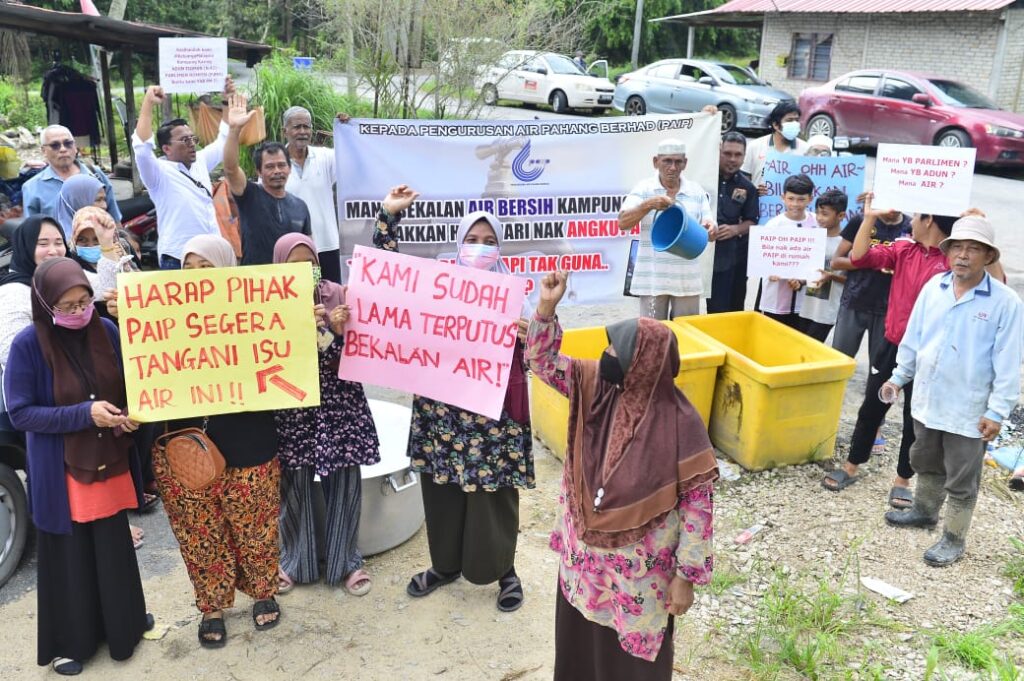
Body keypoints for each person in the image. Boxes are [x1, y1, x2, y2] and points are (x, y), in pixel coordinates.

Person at [527, 271, 717, 681]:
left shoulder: (680, 424)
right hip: (585, 567)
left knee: (631, 665)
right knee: (581, 646)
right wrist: (547, 306)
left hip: (639, 581)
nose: (606, 354)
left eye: (616, 348)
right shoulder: (595, 387)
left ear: (642, 361)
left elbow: (698, 513)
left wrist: (686, 578)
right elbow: (541, 362)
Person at [374, 189, 534, 611]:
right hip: (442, 414)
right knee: (442, 488)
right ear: (459, 242)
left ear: (499, 247)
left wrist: (529, 333)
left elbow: (543, 351)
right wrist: (389, 217)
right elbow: (388, 281)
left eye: (488, 241)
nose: (479, 248)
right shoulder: (438, 288)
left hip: (491, 418)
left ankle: (503, 570)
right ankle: (444, 565)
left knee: (493, 494)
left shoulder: (515, 294)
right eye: (472, 239)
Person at [3, 257, 151, 676]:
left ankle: (125, 627)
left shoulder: (105, 330)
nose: (78, 311)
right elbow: (21, 414)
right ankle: (73, 642)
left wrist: (130, 414)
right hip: (63, 470)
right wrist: (84, 415)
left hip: (111, 460)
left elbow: (130, 385)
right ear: (46, 305)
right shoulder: (28, 345)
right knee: (71, 557)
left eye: (84, 301)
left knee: (112, 547)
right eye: (66, 306)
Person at [153, 234, 282, 648]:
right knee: (199, 530)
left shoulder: (257, 314)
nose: (195, 279)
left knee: (256, 525)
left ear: (229, 270)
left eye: (206, 269)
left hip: (250, 441)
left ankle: (263, 591)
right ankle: (212, 604)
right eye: (187, 269)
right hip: (187, 443)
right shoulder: (163, 319)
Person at [882, 216, 1022, 566]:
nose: (963, 255)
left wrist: (997, 411)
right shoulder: (935, 288)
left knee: (961, 477)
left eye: (973, 249)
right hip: (929, 399)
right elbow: (915, 339)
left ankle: (954, 537)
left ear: (988, 256)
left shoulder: (1005, 302)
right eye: (957, 247)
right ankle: (925, 512)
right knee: (926, 460)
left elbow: (1008, 362)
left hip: (969, 408)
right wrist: (898, 377)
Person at [821, 194, 956, 505]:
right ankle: (851, 466)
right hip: (893, 345)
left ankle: (902, 480)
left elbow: (993, 276)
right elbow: (858, 256)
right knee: (872, 407)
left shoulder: (952, 259)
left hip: (931, 355)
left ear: (930, 221)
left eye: (918, 215)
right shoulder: (903, 249)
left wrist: (974, 228)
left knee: (913, 417)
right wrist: (869, 217)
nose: (912, 220)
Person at [273, 233, 380, 596]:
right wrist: (296, 325)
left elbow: (359, 350)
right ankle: (293, 561)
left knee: (345, 480)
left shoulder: (337, 295)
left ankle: (346, 561)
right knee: (295, 481)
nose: (306, 271)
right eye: (294, 265)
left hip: (339, 403)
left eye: (312, 264)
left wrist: (333, 332)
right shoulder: (267, 305)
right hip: (295, 408)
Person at [132, 79, 234, 270]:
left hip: (210, 256)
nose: (191, 143)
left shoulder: (200, 162)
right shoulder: (158, 173)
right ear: (166, 148)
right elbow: (142, 148)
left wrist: (227, 102)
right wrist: (147, 104)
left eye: (192, 138)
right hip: (177, 258)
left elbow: (223, 141)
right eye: (184, 140)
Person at [618, 139, 716, 320]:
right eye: (667, 161)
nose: (672, 167)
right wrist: (647, 205)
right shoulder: (644, 188)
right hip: (652, 279)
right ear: (656, 162)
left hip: (687, 278)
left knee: (687, 334)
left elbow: (709, 227)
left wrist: (710, 230)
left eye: (678, 162)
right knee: (654, 336)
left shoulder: (696, 191)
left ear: (685, 163)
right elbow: (623, 222)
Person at [222, 94, 311, 266]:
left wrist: (314, 287)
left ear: (289, 168)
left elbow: (309, 252)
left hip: (290, 286)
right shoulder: (249, 195)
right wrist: (234, 130)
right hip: (256, 285)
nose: (277, 171)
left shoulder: (300, 206)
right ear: (259, 171)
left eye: (281, 165)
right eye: (270, 167)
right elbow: (231, 168)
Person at [830, 202, 911, 361]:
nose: (893, 208)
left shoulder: (911, 227)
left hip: (888, 307)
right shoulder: (862, 221)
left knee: (879, 366)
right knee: (838, 360)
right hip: (854, 301)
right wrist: (870, 260)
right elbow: (836, 262)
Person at [282, 106, 343, 283]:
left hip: (327, 246)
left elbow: (351, 157)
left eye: (306, 127)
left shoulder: (325, 157)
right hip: (295, 253)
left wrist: (345, 130)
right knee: (304, 298)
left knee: (330, 297)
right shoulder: (276, 162)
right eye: (297, 127)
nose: (302, 132)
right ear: (285, 131)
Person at [0, 216, 68, 370]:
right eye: (43, 244)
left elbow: (103, 289)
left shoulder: (62, 281)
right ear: (26, 247)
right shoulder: (14, 292)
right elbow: (10, 354)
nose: (53, 251)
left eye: (59, 242)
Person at [22, 125, 122, 223]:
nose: (63, 149)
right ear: (44, 151)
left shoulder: (95, 174)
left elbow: (114, 219)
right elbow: (32, 232)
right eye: (55, 145)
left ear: (75, 147)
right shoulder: (32, 187)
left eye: (68, 143)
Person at [754, 174, 817, 329]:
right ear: (783, 197)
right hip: (776, 299)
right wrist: (771, 271)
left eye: (801, 199)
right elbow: (762, 261)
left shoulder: (817, 224)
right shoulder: (773, 226)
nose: (795, 204)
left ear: (810, 198)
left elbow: (819, 260)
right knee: (774, 339)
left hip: (805, 302)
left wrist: (803, 279)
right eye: (791, 198)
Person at [707, 131, 758, 313]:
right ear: (719, 151)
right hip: (697, 253)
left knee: (722, 311)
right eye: (727, 153)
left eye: (738, 155)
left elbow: (752, 221)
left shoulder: (748, 187)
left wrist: (736, 229)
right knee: (684, 310)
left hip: (727, 259)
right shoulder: (703, 178)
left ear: (744, 157)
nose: (732, 159)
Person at [797, 189, 848, 342]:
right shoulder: (810, 237)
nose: (819, 218)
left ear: (841, 216)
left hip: (827, 310)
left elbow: (851, 280)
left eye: (825, 214)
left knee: (812, 348)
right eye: (818, 213)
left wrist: (831, 276)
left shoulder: (845, 244)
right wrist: (798, 281)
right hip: (804, 307)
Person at [742, 101, 809, 188]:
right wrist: (754, 192)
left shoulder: (806, 150)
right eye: (789, 120)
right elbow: (745, 180)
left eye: (796, 120)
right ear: (776, 125)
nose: (794, 124)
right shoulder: (754, 147)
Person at [54, 173, 109, 241]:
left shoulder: (108, 231)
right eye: (98, 200)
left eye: (104, 199)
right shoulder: (60, 244)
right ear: (78, 202)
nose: (104, 206)